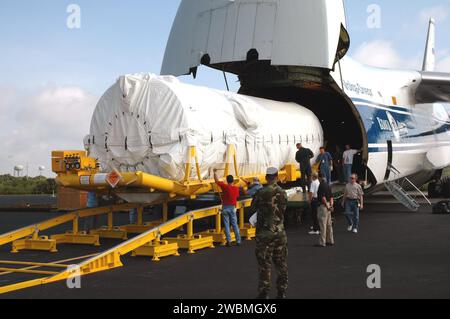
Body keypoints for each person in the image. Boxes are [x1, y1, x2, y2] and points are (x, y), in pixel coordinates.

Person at [251, 167, 288, 299]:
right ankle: (282, 292)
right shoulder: (283, 192)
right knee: (281, 264)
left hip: (265, 234)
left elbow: (253, 207)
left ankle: (264, 293)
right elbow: (283, 209)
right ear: (277, 177)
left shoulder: (261, 192)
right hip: (280, 233)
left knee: (264, 265)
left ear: (266, 177)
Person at [214, 169, 242, 247]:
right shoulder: (236, 188)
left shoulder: (225, 186)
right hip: (233, 207)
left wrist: (215, 172)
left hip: (225, 207)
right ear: (233, 180)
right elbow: (237, 197)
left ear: (227, 180)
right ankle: (238, 240)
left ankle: (229, 241)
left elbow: (216, 181)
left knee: (226, 225)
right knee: (235, 225)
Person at [316, 172, 334, 247]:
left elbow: (323, 197)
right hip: (329, 205)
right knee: (329, 224)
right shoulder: (328, 185)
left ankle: (322, 242)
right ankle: (330, 240)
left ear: (319, 178)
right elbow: (331, 197)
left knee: (323, 224)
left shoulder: (321, 186)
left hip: (323, 206)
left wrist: (326, 206)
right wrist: (331, 206)